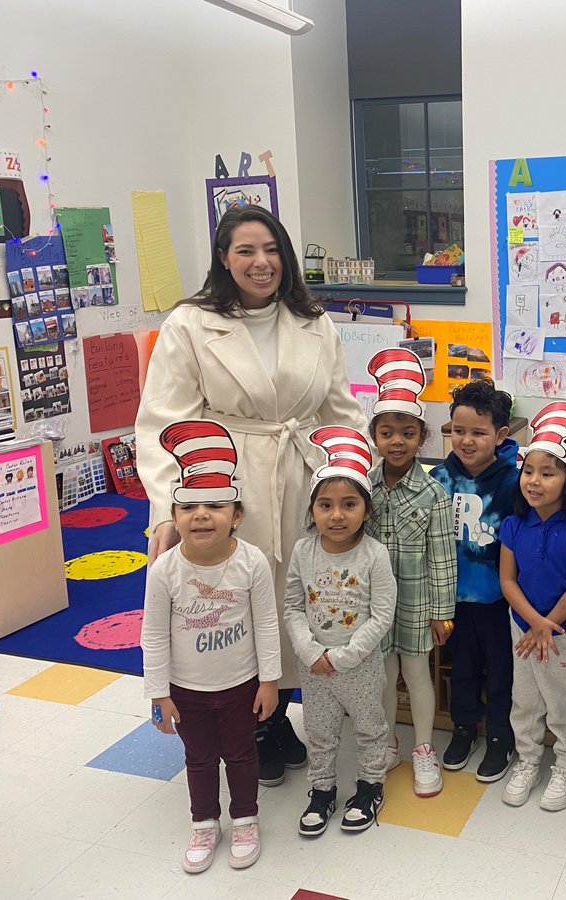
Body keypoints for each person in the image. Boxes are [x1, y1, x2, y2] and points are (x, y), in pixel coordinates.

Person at [136, 204, 366, 786]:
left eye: (271, 250)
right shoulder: (189, 324)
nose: (261, 263)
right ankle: (250, 725)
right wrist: (174, 506)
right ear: (223, 258)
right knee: (233, 599)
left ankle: (280, 710)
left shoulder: (315, 320)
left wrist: (354, 474)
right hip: (223, 478)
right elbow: (162, 421)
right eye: (245, 251)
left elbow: (341, 410)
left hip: (304, 477)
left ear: (285, 255)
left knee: (300, 597)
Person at [140, 420, 281, 874]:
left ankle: (245, 819)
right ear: (174, 517)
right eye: (189, 507)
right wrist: (158, 693)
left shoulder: (251, 562)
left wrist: (270, 681)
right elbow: (154, 634)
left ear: (236, 515)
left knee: (242, 755)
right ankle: (204, 823)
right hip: (186, 690)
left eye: (216, 505)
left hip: (241, 685)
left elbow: (266, 624)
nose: (201, 514)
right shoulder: (164, 570)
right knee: (198, 758)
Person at [284, 427, 395, 837]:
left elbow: (382, 615)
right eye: (325, 505)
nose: (336, 515)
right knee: (319, 731)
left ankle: (369, 786)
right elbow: (293, 606)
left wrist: (344, 657)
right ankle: (321, 790)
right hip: (314, 666)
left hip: (359, 666)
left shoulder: (375, 555)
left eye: (349, 504)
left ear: (366, 511)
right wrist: (310, 652)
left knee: (370, 728)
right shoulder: (302, 550)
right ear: (312, 509)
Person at [364, 348, 457, 797]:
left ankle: (423, 748)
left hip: (418, 604)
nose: (396, 441)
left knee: (417, 675)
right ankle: (385, 743)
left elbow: (442, 558)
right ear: (374, 437)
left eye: (407, 433)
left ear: (422, 437)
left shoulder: (435, 493)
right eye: (386, 432)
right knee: (382, 675)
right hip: (371, 607)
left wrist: (443, 612)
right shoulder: (360, 489)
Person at [498, 402, 566, 811]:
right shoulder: (513, 524)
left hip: (563, 630)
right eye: (529, 471)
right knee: (526, 699)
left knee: (564, 699)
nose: (534, 481)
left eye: (548, 473)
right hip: (522, 626)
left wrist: (548, 624)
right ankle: (528, 759)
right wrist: (532, 622)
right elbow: (507, 579)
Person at [431, 381, 520, 783]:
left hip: (501, 601)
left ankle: (502, 735)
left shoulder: (516, 483)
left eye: (478, 433)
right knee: (462, 669)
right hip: (452, 600)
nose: (466, 441)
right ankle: (464, 728)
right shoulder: (436, 480)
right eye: (458, 431)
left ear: (500, 435)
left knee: (502, 671)